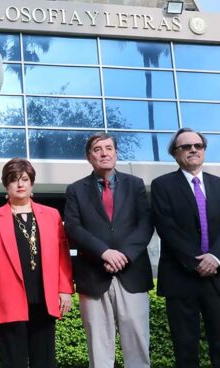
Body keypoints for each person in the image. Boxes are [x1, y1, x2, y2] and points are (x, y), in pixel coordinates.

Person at [151, 128, 220, 368]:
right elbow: (166, 227)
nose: (193, 149)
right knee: (185, 350)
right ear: (174, 153)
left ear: (203, 150)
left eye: (198, 146)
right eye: (186, 146)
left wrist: (215, 257)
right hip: (181, 279)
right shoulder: (162, 186)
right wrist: (197, 261)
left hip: (219, 279)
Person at [64, 133, 154, 368]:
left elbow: (145, 224)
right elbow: (73, 227)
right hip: (94, 276)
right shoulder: (75, 189)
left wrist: (123, 256)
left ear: (115, 153)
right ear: (89, 157)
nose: (104, 153)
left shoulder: (135, 185)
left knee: (138, 346)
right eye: (97, 149)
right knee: (99, 349)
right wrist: (104, 252)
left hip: (131, 275)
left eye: (109, 148)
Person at [0, 158, 74, 368]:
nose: (20, 185)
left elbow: (63, 255)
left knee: (45, 360)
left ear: (32, 183)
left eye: (25, 179)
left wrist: (65, 289)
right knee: (14, 361)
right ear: (6, 185)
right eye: (13, 180)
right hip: (7, 298)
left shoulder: (51, 215)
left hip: (44, 297)